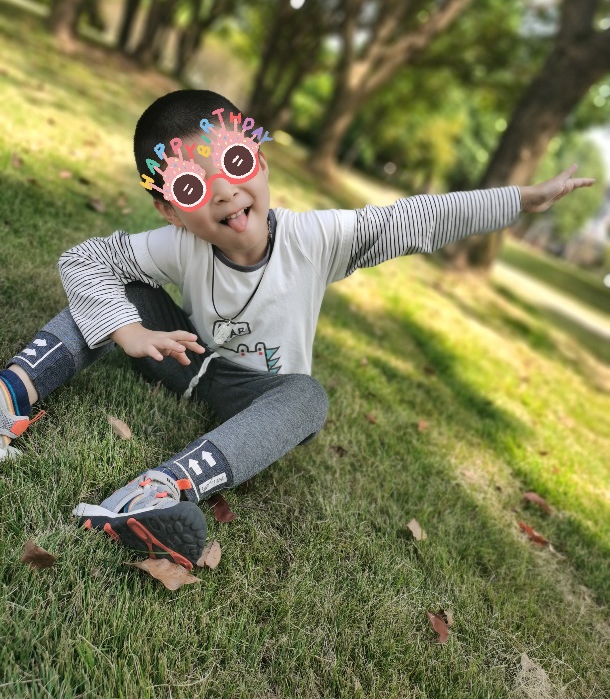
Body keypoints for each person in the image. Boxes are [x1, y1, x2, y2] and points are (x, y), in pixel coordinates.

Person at [0, 89, 597, 570]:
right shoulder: (180, 244)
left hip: (255, 397)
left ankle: (156, 494)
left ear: (260, 159)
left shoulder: (316, 240)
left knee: (309, 398)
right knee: (117, 291)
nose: (225, 191)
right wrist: (128, 331)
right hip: (181, 357)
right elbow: (83, 261)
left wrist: (520, 199)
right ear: (170, 209)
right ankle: (11, 396)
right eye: (191, 187)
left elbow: (419, 218)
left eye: (236, 163)